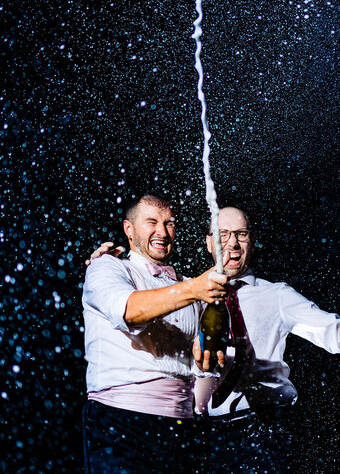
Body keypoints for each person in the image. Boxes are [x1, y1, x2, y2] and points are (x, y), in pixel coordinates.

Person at [90, 206, 340, 473]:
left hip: (263, 431)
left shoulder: (278, 296)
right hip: (203, 439)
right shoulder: (189, 294)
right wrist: (108, 264)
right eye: (223, 234)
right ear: (209, 243)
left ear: (252, 243)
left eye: (241, 234)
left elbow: (338, 333)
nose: (232, 242)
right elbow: (139, 305)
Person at [81, 194, 228, 473]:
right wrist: (195, 289)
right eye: (151, 222)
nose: (162, 232)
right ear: (129, 229)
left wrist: (206, 363)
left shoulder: (187, 286)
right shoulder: (107, 266)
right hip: (121, 422)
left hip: (182, 428)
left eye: (169, 223)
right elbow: (128, 310)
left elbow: (198, 363)